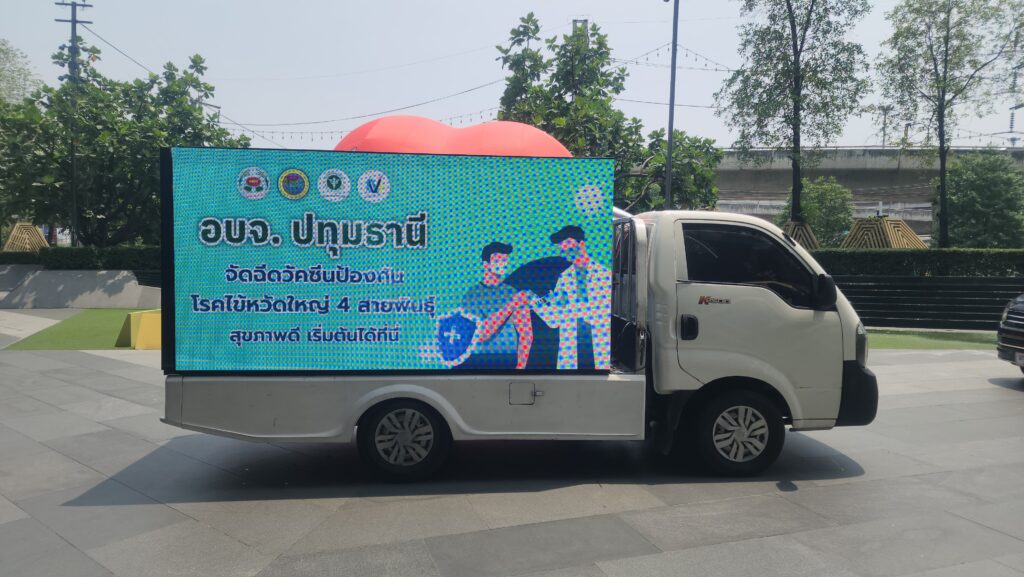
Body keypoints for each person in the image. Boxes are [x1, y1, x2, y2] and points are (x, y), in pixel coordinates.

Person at [532, 226, 611, 370]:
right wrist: (537, 302)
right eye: (563, 251)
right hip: (571, 352)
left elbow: (604, 315)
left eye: (570, 249)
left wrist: (571, 308)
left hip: (598, 347)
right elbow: (554, 321)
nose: (567, 255)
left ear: (581, 244)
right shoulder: (564, 278)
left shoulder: (604, 275)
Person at [459, 242, 533, 369]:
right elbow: (480, 334)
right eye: (498, 260)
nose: (503, 264)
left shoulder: (513, 293)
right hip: (478, 361)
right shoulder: (472, 295)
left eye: (505, 260)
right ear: (486, 264)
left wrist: (521, 367)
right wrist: (511, 305)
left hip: (509, 359)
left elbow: (526, 334)